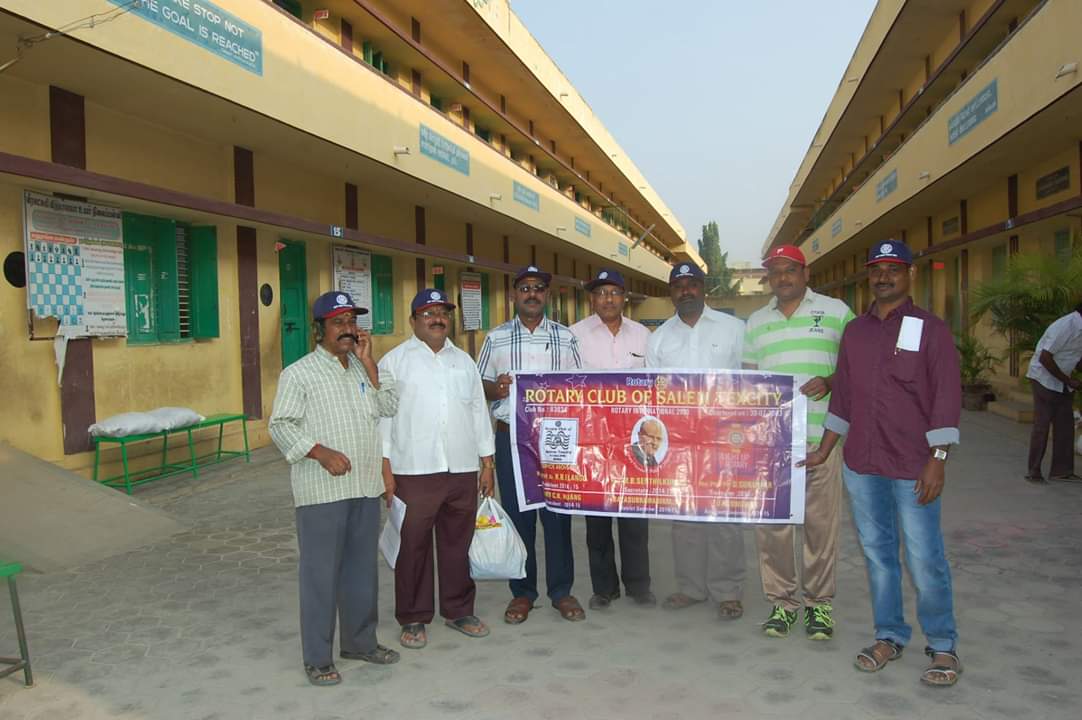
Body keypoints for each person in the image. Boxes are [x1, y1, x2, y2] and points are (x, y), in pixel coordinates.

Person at [805, 239, 963, 687]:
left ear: (910, 274)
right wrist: (824, 449)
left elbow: (946, 396)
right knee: (878, 556)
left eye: (893, 268)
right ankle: (889, 636)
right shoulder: (856, 332)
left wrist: (938, 459)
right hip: (862, 464)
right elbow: (844, 397)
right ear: (868, 276)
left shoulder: (931, 329)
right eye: (877, 269)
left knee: (925, 557)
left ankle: (943, 644)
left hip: (914, 465)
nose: (884, 276)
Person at [268, 291, 400, 687]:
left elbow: (389, 405)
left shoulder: (361, 367)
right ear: (319, 329)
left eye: (351, 322)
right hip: (321, 492)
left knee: (361, 571)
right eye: (338, 322)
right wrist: (319, 452)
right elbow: (281, 425)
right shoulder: (299, 374)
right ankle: (318, 658)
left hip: (364, 486)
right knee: (320, 576)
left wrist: (370, 362)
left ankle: (360, 642)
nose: (347, 329)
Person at [743, 245, 855, 641]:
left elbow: (858, 367)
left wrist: (830, 381)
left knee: (820, 530)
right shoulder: (756, 322)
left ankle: (819, 605)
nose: (782, 278)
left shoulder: (836, 312)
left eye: (790, 270)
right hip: (772, 446)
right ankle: (782, 603)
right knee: (772, 530)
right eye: (775, 272)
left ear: (806, 273)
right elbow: (750, 384)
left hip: (821, 442)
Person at [378, 289, 496, 650]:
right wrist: (385, 467)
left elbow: (477, 411)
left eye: (443, 313)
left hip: (461, 467)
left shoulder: (463, 361)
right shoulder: (394, 362)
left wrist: (487, 462)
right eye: (428, 313)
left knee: (458, 543)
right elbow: (383, 417)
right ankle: (413, 616)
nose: (437, 319)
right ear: (413, 320)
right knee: (412, 545)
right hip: (414, 469)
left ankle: (459, 610)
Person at [477, 265, 585, 624]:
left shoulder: (566, 337)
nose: (532, 294)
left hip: (555, 436)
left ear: (547, 295)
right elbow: (479, 385)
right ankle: (522, 593)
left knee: (558, 514)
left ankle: (561, 591)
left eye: (538, 288)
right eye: (525, 288)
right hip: (511, 437)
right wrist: (498, 388)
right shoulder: (496, 338)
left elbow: (580, 385)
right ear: (513, 295)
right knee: (519, 514)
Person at [646, 262, 748, 621]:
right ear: (670, 293)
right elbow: (653, 394)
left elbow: (751, 383)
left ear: (704, 289)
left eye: (692, 284)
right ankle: (691, 587)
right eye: (678, 286)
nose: (685, 291)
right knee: (685, 516)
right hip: (679, 443)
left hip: (724, 439)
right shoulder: (658, 338)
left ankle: (727, 590)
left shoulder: (734, 329)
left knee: (724, 516)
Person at [569, 269, 656, 610]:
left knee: (635, 515)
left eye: (614, 292)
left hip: (634, 440)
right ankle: (604, 588)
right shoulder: (575, 335)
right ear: (592, 299)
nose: (608, 299)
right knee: (597, 517)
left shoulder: (644, 336)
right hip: (594, 440)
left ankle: (638, 585)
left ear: (625, 297)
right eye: (601, 293)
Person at [1024, 303, 1082, 483]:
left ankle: (1061, 471)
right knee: (1042, 425)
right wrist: (1068, 380)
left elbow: (1073, 356)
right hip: (1043, 378)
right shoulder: (1067, 325)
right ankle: (1034, 471)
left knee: (1065, 425)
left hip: (1062, 381)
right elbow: (1045, 357)